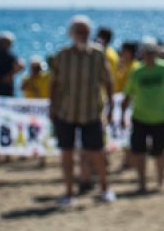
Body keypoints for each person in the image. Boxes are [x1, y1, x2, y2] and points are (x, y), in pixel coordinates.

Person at [48, 15, 115, 206]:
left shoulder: (97, 54)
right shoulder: (62, 55)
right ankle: (69, 192)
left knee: (97, 152)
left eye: (86, 32)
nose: (83, 35)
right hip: (66, 112)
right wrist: (52, 106)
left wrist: (111, 106)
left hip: (91, 112)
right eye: (79, 31)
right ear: (71, 33)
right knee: (66, 153)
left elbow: (108, 81)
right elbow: (54, 84)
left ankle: (104, 189)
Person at [122, 41, 164, 193]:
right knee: (139, 151)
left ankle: (160, 181)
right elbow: (128, 94)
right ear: (142, 54)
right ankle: (142, 182)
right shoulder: (137, 71)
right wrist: (122, 114)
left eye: (152, 53)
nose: (149, 56)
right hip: (140, 117)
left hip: (161, 117)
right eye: (146, 53)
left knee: (160, 151)